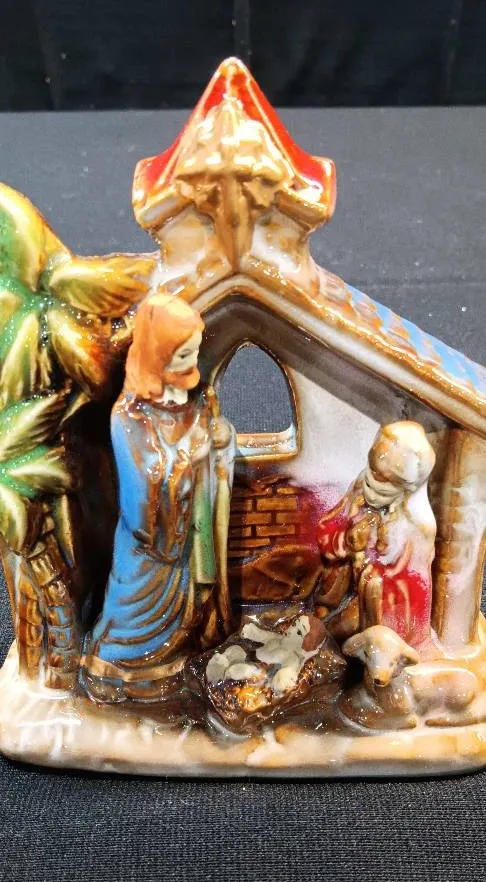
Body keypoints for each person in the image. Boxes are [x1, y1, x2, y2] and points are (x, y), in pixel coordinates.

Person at [80, 293, 235, 702]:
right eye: (183, 354)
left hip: (187, 536)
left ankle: (172, 662)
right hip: (150, 540)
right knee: (131, 609)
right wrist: (190, 454)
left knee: (185, 607)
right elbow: (145, 477)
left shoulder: (196, 400)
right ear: (157, 354)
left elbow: (209, 442)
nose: (192, 362)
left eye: (195, 352)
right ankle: (114, 668)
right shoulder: (129, 416)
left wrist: (220, 444)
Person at [316, 421, 436, 648]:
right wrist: (348, 541)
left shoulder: (416, 527)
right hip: (349, 586)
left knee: (338, 634)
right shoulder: (361, 487)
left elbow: (409, 587)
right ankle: (327, 611)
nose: (372, 489)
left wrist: (367, 566)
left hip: (379, 605)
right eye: (373, 475)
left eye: (384, 484)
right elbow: (331, 526)